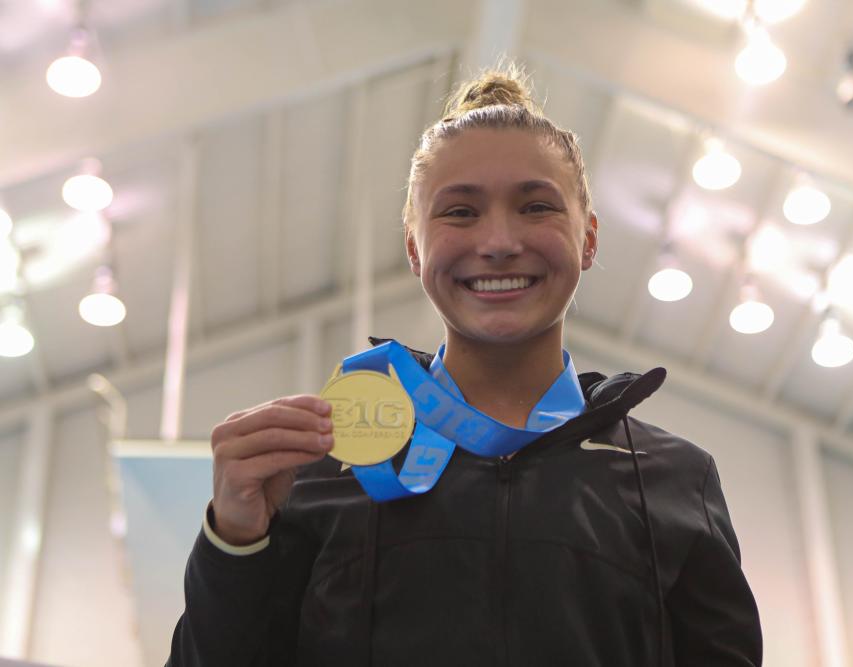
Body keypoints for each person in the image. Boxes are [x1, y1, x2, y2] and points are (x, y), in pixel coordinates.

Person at [167, 63, 762, 666]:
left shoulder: (673, 478)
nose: (499, 240)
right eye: (459, 212)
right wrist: (234, 543)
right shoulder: (325, 466)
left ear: (589, 239)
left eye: (536, 207)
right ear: (412, 246)